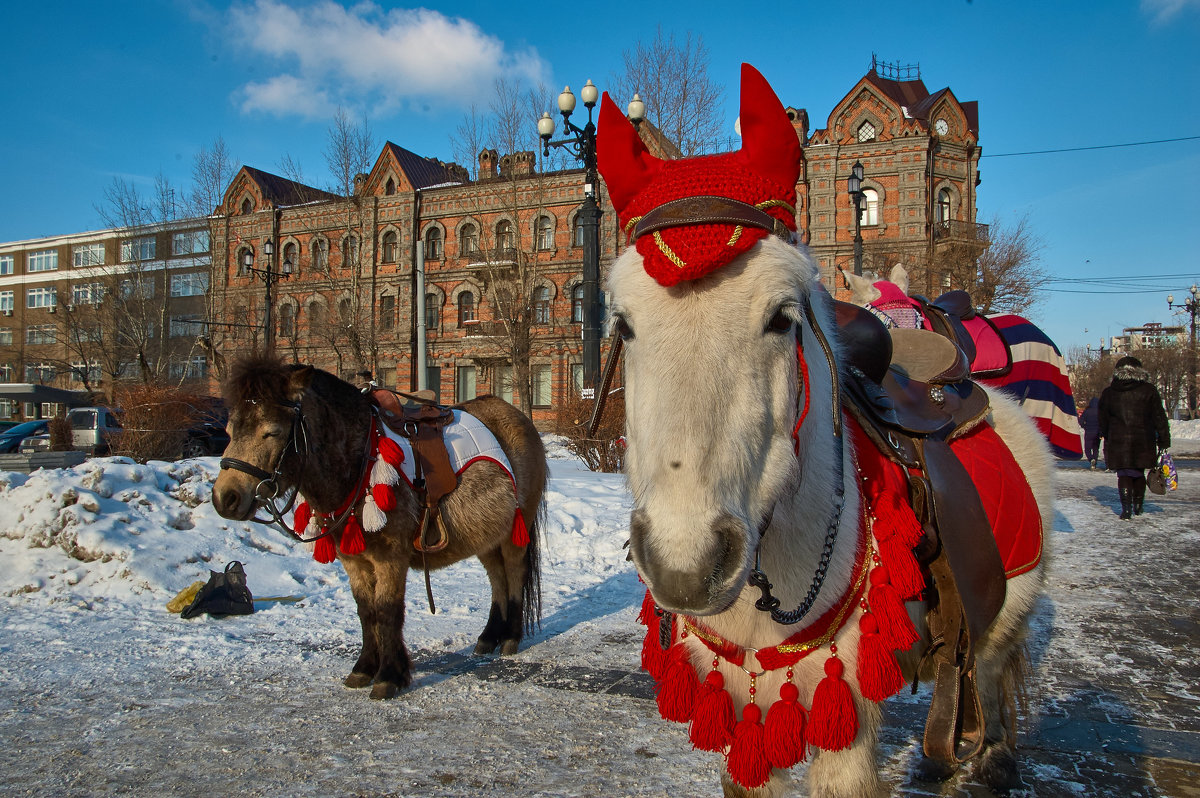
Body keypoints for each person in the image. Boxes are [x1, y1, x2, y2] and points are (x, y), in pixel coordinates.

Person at [1098, 356, 1170, 519]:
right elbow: (1159, 416)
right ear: (1139, 371)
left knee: (1123, 473)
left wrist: (1106, 433)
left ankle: (1126, 509)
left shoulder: (1109, 393)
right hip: (1144, 439)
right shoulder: (1149, 390)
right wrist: (1164, 438)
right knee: (1138, 472)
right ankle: (1138, 505)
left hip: (1118, 439)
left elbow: (1103, 418)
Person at [1079, 397, 1101, 469]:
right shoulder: (1100, 411)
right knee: (1095, 448)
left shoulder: (1087, 411)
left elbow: (1081, 420)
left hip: (1088, 432)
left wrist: (1084, 426)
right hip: (1098, 432)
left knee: (1087, 448)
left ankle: (1091, 459)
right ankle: (1094, 460)